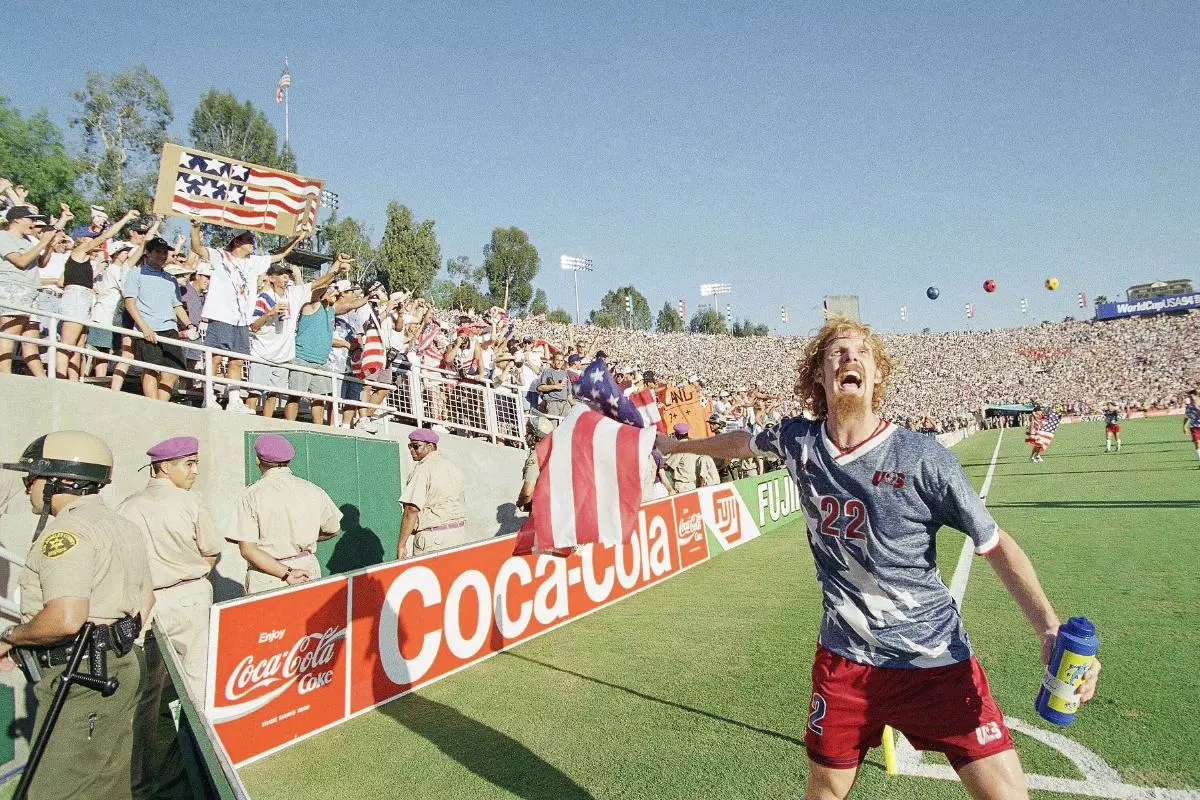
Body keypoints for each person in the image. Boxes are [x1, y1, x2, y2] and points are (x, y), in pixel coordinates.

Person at [656, 317, 1100, 800]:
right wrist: (677, 445)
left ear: (877, 375)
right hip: (844, 662)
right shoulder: (799, 442)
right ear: (819, 375)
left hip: (933, 658)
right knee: (824, 790)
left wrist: (1048, 628)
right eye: (837, 352)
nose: (850, 357)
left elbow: (994, 543)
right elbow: (743, 441)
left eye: (863, 352)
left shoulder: (923, 457)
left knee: (1005, 794)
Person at [0, 431, 154, 800]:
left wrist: (11, 638)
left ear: (63, 481)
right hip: (120, 662)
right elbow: (145, 601)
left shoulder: (67, 532)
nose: (27, 486)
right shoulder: (122, 525)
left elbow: (66, 619)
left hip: (82, 673)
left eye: (33, 476)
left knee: (56, 790)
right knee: (107, 784)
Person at [116, 436, 219, 696]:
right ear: (164, 467)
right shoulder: (191, 501)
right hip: (189, 597)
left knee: (146, 687)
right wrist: (194, 577)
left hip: (146, 602)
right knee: (200, 681)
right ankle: (197, 726)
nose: (195, 470)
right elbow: (211, 550)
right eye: (189, 463)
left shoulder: (127, 507)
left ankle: (146, 727)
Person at [189, 220, 309, 413]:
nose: (253, 242)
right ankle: (208, 397)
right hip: (220, 316)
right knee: (215, 358)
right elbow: (197, 247)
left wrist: (297, 238)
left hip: (242, 320)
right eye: (248, 239)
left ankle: (234, 401)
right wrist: (195, 227)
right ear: (237, 241)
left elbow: (279, 255)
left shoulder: (253, 262)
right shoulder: (221, 256)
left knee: (237, 361)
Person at [227, 434, 342, 594]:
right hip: (307, 570)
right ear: (288, 460)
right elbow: (333, 529)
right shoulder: (312, 489)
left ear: (258, 460)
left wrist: (287, 572)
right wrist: (301, 538)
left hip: (269, 576)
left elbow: (247, 549)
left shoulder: (251, 495)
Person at [248, 256, 346, 419]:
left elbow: (318, 283)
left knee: (273, 395)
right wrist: (270, 313)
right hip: (262, 353)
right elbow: (254, 326)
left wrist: (335, 269)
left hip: (283, 356)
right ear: (271, 278)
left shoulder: (294, 293)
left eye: (287, 275)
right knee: (254, 392)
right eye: (281, 275)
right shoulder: (263, 298)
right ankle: (248, 421)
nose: (285, 278)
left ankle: (267, 423)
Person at [123, 237, 196, 401]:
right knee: (151, 370)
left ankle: (161, 406)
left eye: (164, 252)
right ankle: (153, 405)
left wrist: (189, 325)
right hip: (148, 328)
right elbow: (129, 302)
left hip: (170, 329)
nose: (162, 255)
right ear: (148, 253)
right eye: (157, 251)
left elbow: (177, 305)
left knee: (172, 372)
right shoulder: (136, 273)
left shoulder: (171, 279)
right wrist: (144, 328)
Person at [1, 205, 64, 376]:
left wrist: (49, 245)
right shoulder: (3, 236)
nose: (34, 223)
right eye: (31, 219)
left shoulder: (27, 241)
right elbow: (21, 261)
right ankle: (5, 378)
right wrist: (43, 242)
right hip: (13, 289)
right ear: (17, 219)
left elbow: (41, 263)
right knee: (10, 334)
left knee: (30, 340)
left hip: (33, 291)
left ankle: (42, 381)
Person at [397, 429, 468, 559]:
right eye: (409, 446)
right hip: (458, 534)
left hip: (434, 539)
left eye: (416, 446)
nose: (411, 450)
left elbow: (411, 509)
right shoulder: (452, 467)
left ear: (430, 446)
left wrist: (401, 545)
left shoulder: (423, 468)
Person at [663, 423, 719, 493]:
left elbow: (668, 467)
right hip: (692, 484)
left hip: (681, 485)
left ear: (677, 435)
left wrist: (660, 464)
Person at [536, 349, 573, 418]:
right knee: (553, 424)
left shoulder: (564, 373)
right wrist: (556, 386)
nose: (559, 362)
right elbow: (540, 387)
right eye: (557, 360)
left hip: (564, 405)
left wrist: (572, 404)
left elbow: (569, 393)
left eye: (561, 360)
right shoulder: (547, 372)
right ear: (553, 360)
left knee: (564, 424)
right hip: (553, 404)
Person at [1184, 389, 1200, 467]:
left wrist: (1197, 408)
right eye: (1189, 397)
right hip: (1194, 427)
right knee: (1197, 443)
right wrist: (1184, 427)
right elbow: (1187, 416)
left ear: (1197, 396)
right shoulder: (1189, 406)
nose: (1190, 398)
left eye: (1192, 397)